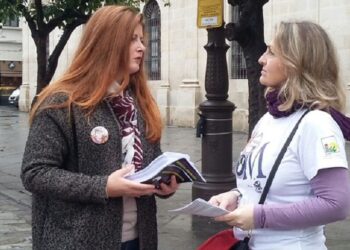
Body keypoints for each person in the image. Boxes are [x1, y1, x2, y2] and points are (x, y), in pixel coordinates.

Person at [21, 5, 179, 250]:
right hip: (78, 240)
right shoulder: (61, 103)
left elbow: (150, 160)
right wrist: (103, 187)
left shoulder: (138, 103)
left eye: (142, 39)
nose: (142, 47)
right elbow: (35, 173)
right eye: (132, 39)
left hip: (138, 239)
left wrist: (163, 182)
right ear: (107, 44)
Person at [208, 21, 350, 250]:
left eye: (271, 52)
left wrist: (260, 216)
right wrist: (236, 195)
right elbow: (264, 183)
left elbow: (337, 204)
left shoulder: (317, 123)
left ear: (297, 63)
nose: (261, 59)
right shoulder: (269, 119)